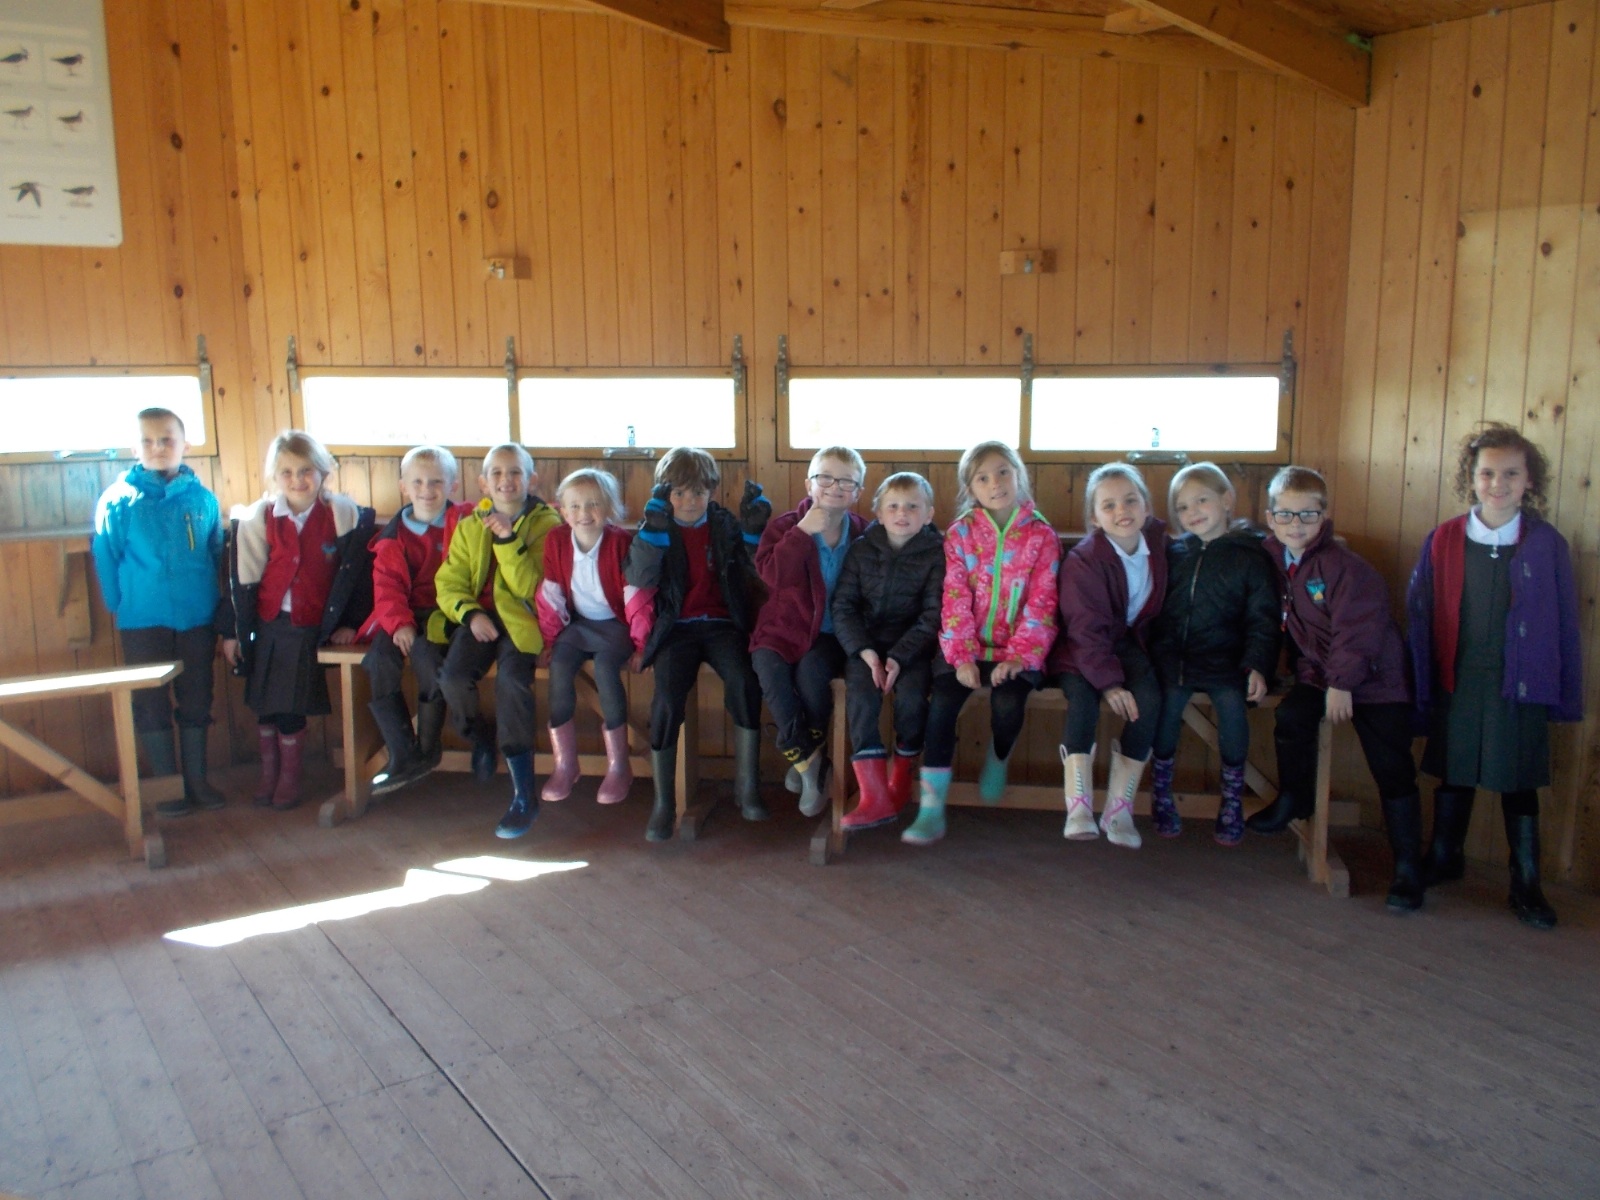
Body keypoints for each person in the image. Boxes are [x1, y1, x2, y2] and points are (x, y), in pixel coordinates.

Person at [1407, 424, 1582, 929]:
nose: (1497, 484)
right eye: (1487, 473)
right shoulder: (1444, 539)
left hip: (1520, 684)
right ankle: (1445, 857)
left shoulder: (1546, 544)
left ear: (1529, 480)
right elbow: (1420, 613)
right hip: (1459, 678)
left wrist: (1564, 694)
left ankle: (1525, 880)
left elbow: (1564, 622)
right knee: (1455, 769)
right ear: (1472, 477)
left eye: (1510, 473)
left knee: (1518, 778)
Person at [1248, 466, 1423, 910]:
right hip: (1321, 676)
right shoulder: (1275, 559)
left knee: (1392, 768)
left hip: (1376, 681)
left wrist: (1342, 685)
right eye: (1285, 514)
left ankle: (1408, 869)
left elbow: (1357, 630)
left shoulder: (1346, 568)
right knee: (1291, 717)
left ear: (1324, 517)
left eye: (1307, 515)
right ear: (1270, 518)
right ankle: (1295, 798)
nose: (1296, 524)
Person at [903, 441, 1059, 845]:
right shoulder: (960, 534)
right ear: (970, 488)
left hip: (1018, 652)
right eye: (983, 477)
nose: (996, 483)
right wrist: (961, 657)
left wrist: (1020, 657)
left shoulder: (1042, 535)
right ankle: (931, 808)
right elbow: (954, 597)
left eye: (1003, 472)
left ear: (1019, 474)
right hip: (965, 648)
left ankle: (999, 756)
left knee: (1007, 704)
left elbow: (1043, 602)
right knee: (940, 710)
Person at [223, 431, 374, 812]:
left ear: (323, 472)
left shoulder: (342, 517)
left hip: (308, 626)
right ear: (275, 477)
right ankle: (269, 774)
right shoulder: (260, 519)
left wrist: (351, 623)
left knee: (291, 704)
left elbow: (358, 579)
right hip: (268, 623)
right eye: (286, 472)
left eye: (306, 470)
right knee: (264, 705)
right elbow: (240, 580)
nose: (297, 480)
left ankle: (290, 777)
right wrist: (234, 632)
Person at [624, 447, 768, 841]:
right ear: (665, 494)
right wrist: (652, 533)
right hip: (676, 628)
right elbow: (639, 577)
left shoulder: (722, 524)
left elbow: (755, 569)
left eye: (699, 493)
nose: (689, 502)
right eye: (680, 493)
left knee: (745, 680)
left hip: (722, 624)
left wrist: (754, 532)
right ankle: (664, 803)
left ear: (712, 492)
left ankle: (747, 786)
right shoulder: (656, 524)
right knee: (668, 696)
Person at [92, 407, 227, 818]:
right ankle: (168, 787)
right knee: (150, 703)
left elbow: (215, 552)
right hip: (142, 621)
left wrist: (214, 605)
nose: (158, 447)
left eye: (167, 439)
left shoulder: (203, 500)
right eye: (147, 441)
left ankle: (197, 782)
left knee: (197, 697)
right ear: (134, 449)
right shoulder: (118, 501)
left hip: (196, 618)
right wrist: (120, 605)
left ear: (185, 445)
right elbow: (106, 554)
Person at [1148, 462, 1280, 846]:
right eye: (1183, 507)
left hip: (1228, 659)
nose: (1193, 512)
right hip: (1176, 658)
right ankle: (1161, 792)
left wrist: (1257, 665)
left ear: (1226, 500)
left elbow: (1263, 617)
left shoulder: (1250, 554)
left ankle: (1232, 799)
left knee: (1233, 709)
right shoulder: (1175, 552)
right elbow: (1155, 608)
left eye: (1201, 500)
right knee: (1166, 708)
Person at [435, 443, 561, 838]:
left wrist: (507, 539)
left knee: (512, 684)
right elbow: (449, 582)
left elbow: (533, 589)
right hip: (480, 620)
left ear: (532, 480)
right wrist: (470, 614)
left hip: (523, 622)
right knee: (453, 677)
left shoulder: (547, 525)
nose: (506, 480)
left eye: (516, 472)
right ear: (483, 483)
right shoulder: (470, 524)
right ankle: (479, 736)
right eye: (497, 473)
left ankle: (524, 795)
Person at [1050, 463, 1167, 848]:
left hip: (1126, 647)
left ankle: (1120, 808)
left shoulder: (1158, 546)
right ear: (1095, 519)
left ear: (1147, 506)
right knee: (1083, 701)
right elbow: (1085, 629)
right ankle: (1079, 807)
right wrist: (1110, 685)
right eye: (1109, 505)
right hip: (1077, 650)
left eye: (1131, 500)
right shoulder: (1085, 560)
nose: (1122, 511)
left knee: (1148, 701)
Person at [751, 446, 868, 818]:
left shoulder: (863, 532)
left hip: (832, 634)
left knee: (813, 674)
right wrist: (802, 533)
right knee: (768, 667)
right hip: (783, 627)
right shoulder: (786, 526)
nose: (834, 487)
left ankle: (804, 759)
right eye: (825, 478)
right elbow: (772, 575)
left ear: (858, 491)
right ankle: (808, 761)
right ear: (808, 485)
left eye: (846, 481)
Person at [830, 471, 943, 832]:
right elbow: (843, 606)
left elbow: (933, 615)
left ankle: (901, 778)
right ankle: (873, 796)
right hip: (865, 644)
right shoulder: (862, 549)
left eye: (912, 506)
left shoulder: (936, 553)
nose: (902, 513)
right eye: (892, 506)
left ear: (929, 514)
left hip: (913, 646)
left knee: (912, 698)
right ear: (878, 512)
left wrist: (898, 657)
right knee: (862, 698)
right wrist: (865, 652)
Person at [357, 445, 472, 798]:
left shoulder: (465, 523)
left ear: (452, 486)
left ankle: (427, 747)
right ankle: (402, 753)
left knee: (426, 657)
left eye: (436, 481)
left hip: (446, 614)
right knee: (379, 660)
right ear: (403, 486)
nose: (426, 489)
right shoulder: (392, 537)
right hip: (401, 615)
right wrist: (400, 624)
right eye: (417, 482)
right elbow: (387, 587)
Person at [535, 467, 653, 805]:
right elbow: (551, 594)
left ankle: (619, 767)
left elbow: (637, 599)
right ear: (563, 510)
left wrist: (642, 645)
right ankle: (565, 764)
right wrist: (550, 640)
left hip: (616, 626)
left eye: (593, 504)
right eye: (574, 506)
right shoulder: (556, 541)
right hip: (578, 626)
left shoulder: (620, 543)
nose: (584, 513)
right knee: (560, 667)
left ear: (610, 508)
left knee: (605, 670)